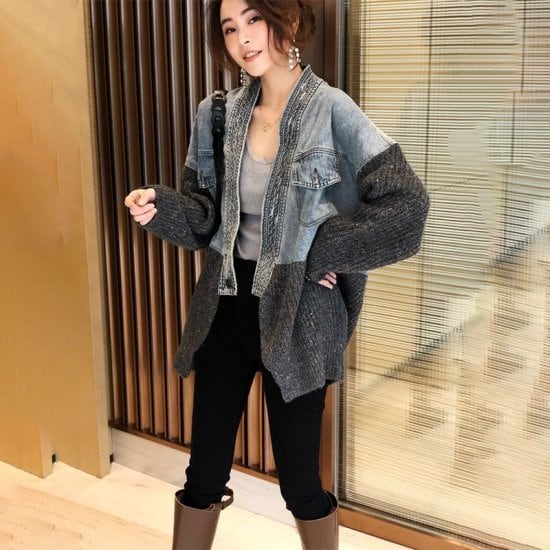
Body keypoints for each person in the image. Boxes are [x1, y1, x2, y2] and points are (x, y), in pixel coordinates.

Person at [124, 0, 429, 548]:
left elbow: (406, 203)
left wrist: (325, 250)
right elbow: (203, 217)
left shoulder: (332, 109)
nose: (243, 38)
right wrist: (159, 206)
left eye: (253, 20)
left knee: (299, 483)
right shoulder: (217, 113)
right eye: (230, 28)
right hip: (225, 306)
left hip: (298, 313)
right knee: (202, 475)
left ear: (286, 21)